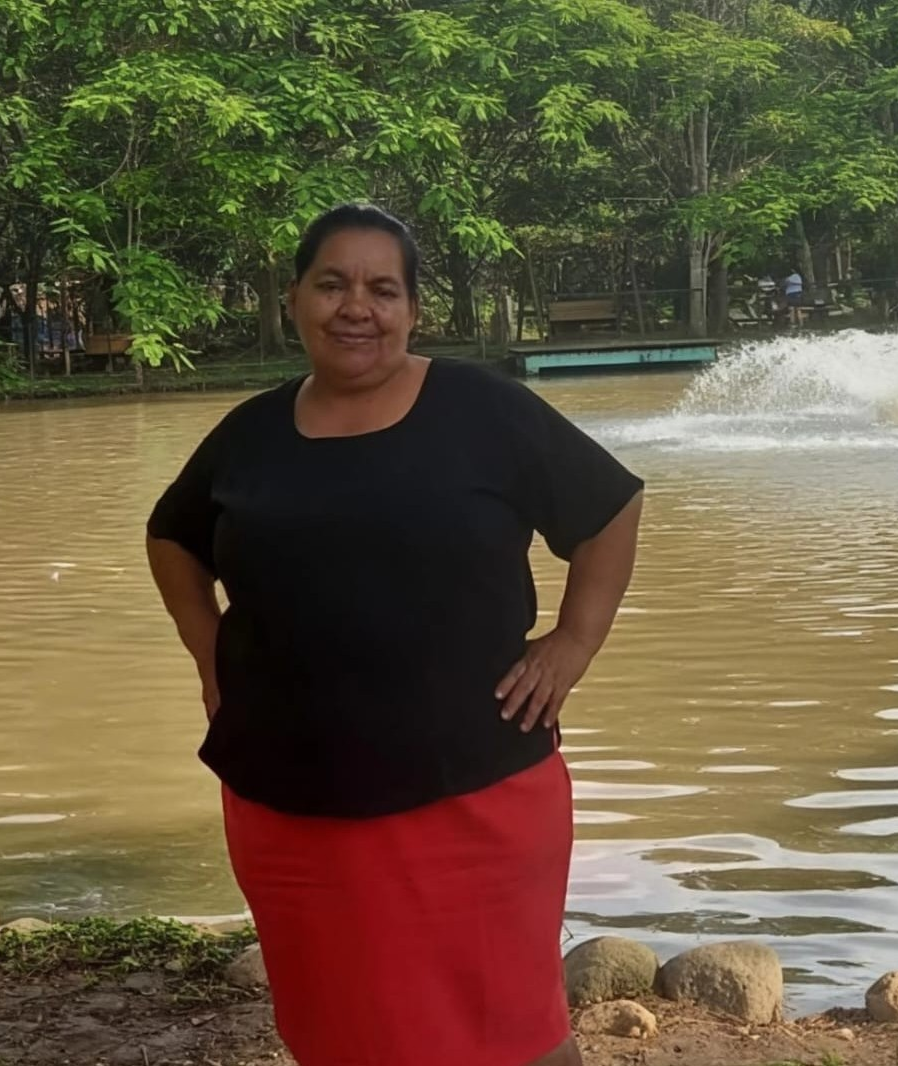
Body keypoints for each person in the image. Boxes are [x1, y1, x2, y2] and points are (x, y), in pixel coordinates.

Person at [146, 203, 644, 1066]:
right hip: (287, 802)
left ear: (413, 310)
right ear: (294, 299)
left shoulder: (483, 410)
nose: (356, 307)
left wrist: (574, 642)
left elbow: (611, 508)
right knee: (341, 1027)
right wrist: (208, 648)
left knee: (509, 1031)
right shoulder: (252, 433)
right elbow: (172, 536)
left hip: (474, 797)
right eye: (331, 284)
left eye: (383, 289)